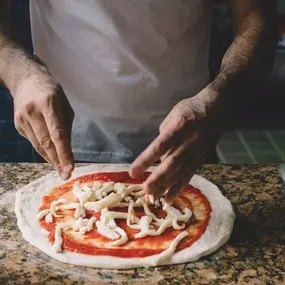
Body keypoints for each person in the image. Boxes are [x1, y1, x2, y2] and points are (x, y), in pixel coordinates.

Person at [0, 0, 276, 203]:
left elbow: (257, 13)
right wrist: (21, 75)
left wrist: (219, 98)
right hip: (62, 140)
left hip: (186, 141)